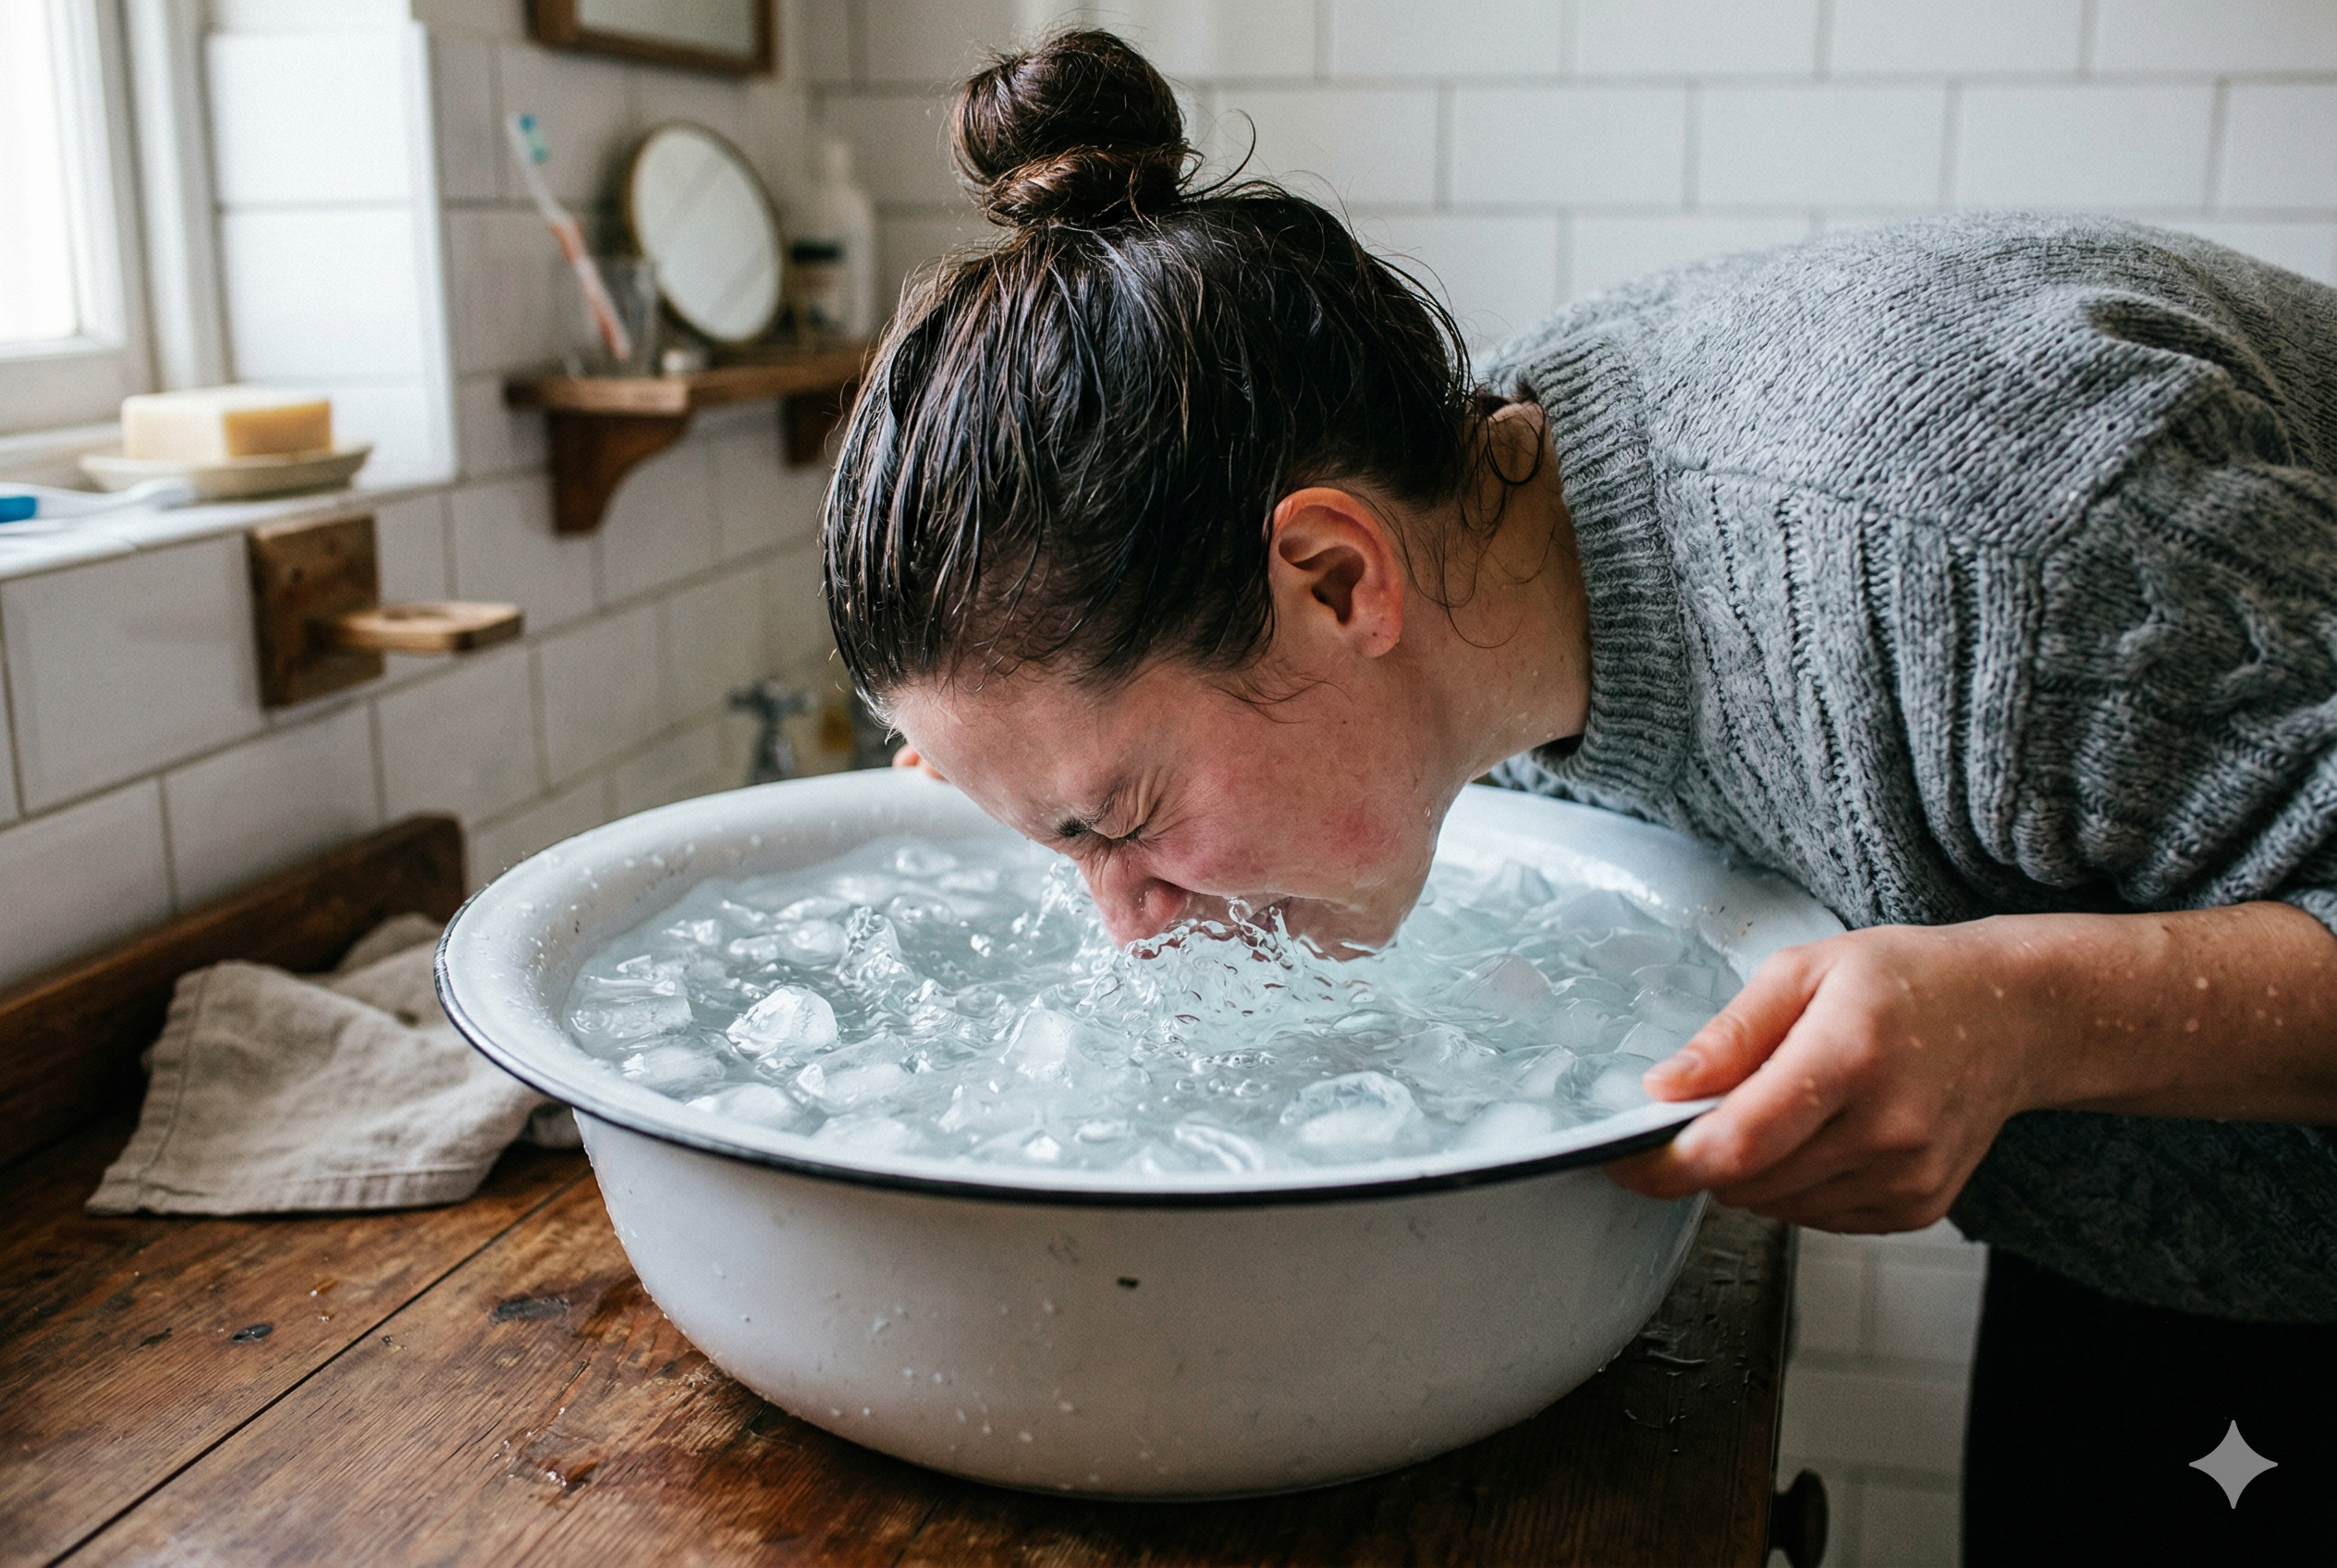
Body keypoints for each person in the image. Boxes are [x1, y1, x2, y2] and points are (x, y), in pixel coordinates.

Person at [821, 30, 2337, 1564]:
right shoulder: (1479, 530)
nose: (1132, 931)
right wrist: (1059, 787)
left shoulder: (2005, 551)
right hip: (2156, 1227)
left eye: (1128, 822)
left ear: (1336, 580)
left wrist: (2033, 1012)